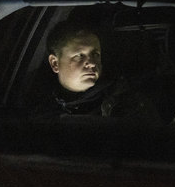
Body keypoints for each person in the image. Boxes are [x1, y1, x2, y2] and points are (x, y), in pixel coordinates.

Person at [29, 19, 160, 122]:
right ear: (55, 63)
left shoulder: (126, 102)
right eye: (79, 55)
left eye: (95, 54)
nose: (91, 63)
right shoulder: (40, 110)